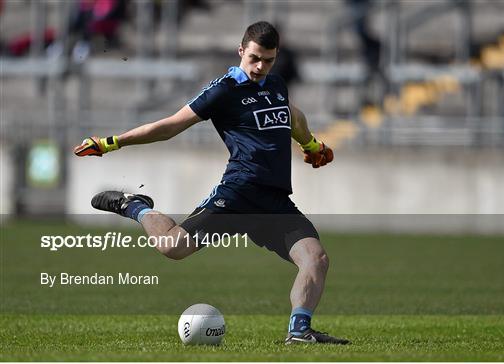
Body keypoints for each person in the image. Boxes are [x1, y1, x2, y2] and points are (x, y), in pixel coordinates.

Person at [74, 21, 348, 345]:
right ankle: (135, 206)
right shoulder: (224, 90)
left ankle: (299, 331)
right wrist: (111, 142)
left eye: (269, 60)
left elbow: (292, 116)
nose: (261, 67)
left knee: (316, 258)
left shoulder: (276, 85)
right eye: (255, 58)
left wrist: (312, 145)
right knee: (172, 247)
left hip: (274, 201)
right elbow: (170, 126)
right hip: (239, 192)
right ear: (241, 51)